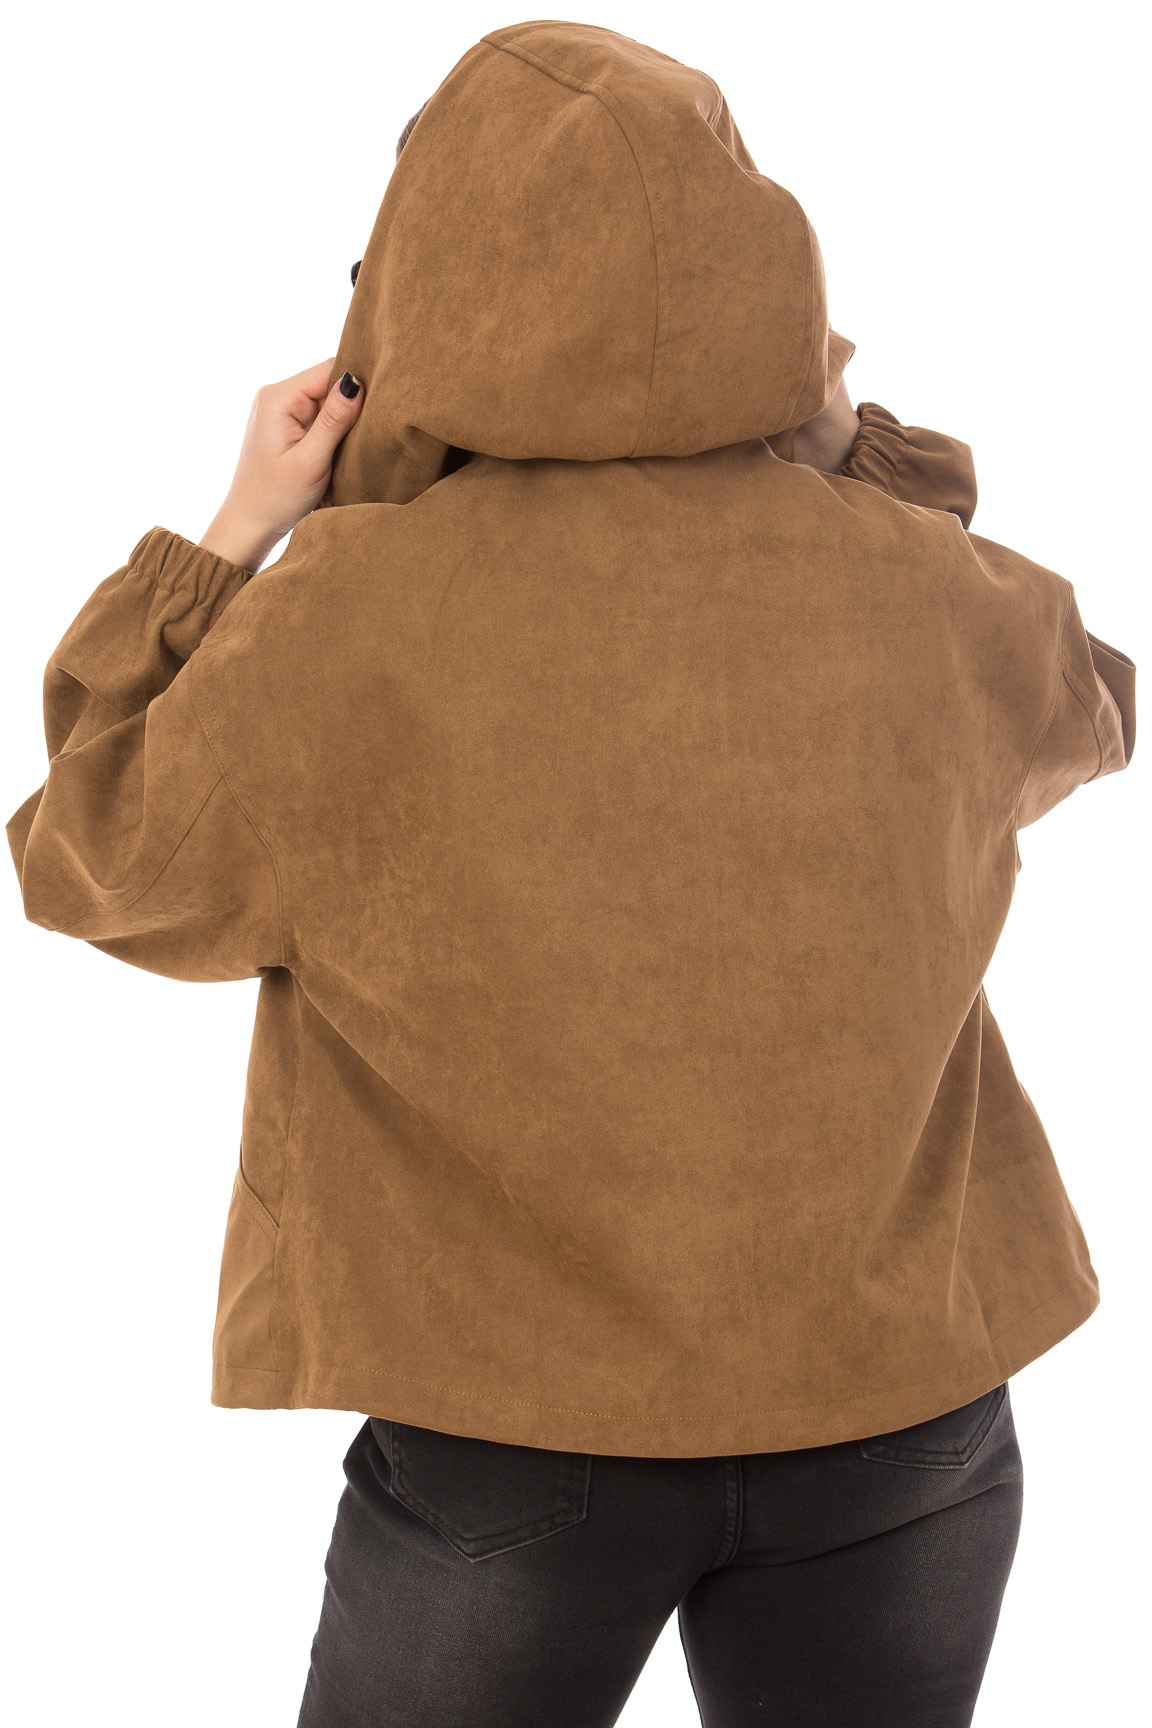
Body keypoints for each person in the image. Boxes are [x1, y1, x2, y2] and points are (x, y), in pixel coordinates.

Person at [6, 20, 1136, 1728]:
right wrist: (840, 445)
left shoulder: (351, 621)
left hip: (516, 1440)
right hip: (907, 1418)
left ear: (417, 287)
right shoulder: (933, 597)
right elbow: (1093, 706)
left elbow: (92, 854)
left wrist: (233, 532)